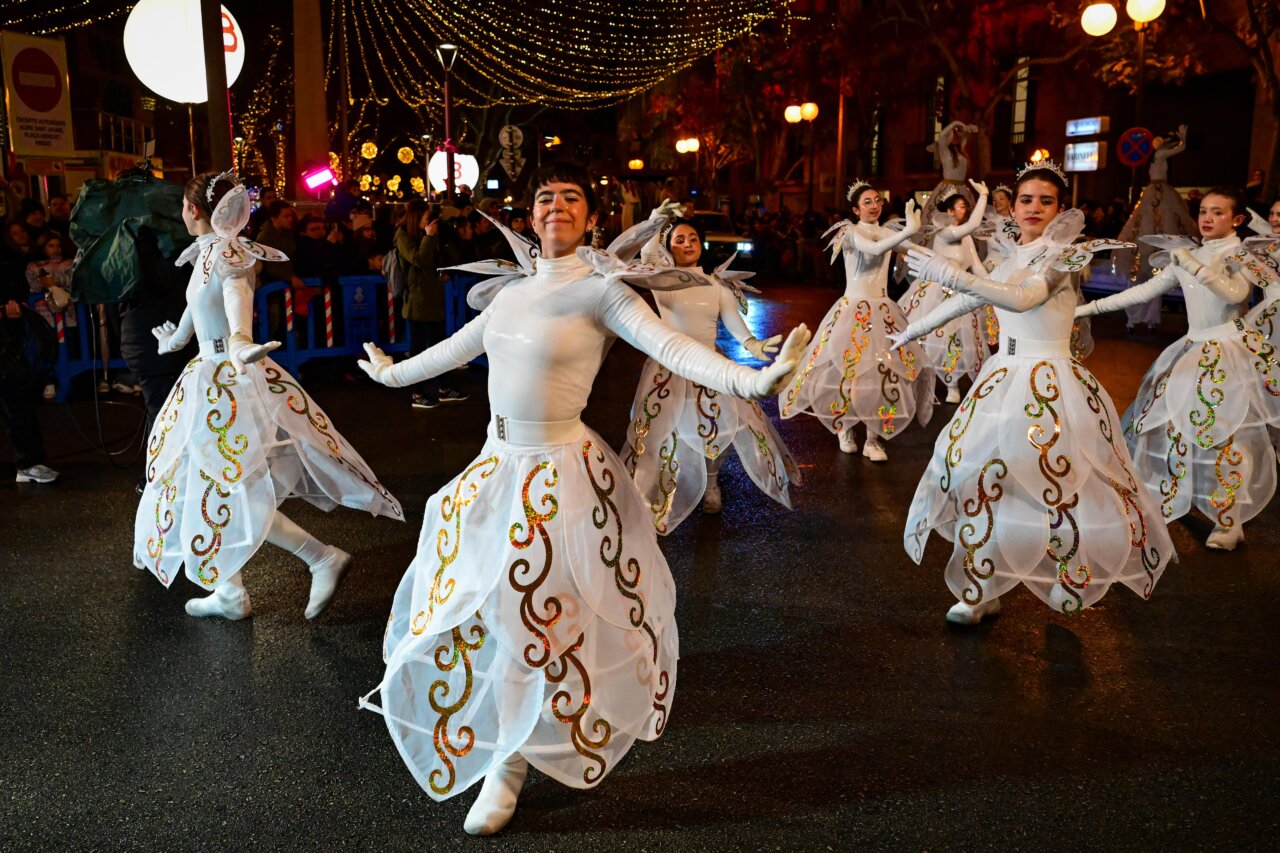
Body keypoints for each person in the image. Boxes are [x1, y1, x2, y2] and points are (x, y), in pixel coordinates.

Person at [356, 162, 810, 836]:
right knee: (491, 610)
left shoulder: (603, 293)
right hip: (495, 466)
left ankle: (511, 762)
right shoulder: (510, 295)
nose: (557, 207)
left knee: (536, 611)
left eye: (572, 197)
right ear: (529, 214)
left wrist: (750, 379)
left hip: (560, 472)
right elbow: (454, 350)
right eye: (546, 198)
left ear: (591, 216)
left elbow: (675, 347)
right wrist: (395, 374)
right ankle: (510, 752)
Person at [892, 160, 1174, 624]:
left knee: (1055, 484)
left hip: (1051, 381)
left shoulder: (1064, 256)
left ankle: (1063, 575)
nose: (1034, 208)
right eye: (1026, 199)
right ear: (1014, 205)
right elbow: (973, 298)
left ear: (1061, 209)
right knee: (979, 474)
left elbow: (1022, 298)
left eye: (1046, 200)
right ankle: (981, 588)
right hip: (1003, 377)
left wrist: (950, 273)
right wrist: (910, 330)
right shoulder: (1008, 258)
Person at [133, 170, 403, 620]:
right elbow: (196, 312)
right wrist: (174, 340)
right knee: (198, 484)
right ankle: (229, 588)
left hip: (225, 380)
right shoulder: (206, 255)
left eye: (183, 204)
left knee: (231, 486)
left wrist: (239, 342)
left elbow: (237, 301)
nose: (181, 211)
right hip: (208, 373)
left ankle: (319, 558)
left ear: (193, 209)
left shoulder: (228, 256)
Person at [1077, 187, 1279, 551]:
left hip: (1230, 351)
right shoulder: (1189, 255)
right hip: (1191, 348)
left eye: (1218, 213)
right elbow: (1143, 291)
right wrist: (1085, 310)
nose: (1207, 218)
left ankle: (1229, 520)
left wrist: (1193, 263)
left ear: (1237, 220)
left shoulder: (1243, 255)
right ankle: (1171, 496)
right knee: (1173, 428)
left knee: (1230, 436)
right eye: (1204, 211)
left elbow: (1234, 294)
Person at [622, 207, 798, 530]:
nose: (687, 244)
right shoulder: (661, 279)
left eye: (692, 239)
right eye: (679, 240)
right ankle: (653, 491)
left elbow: (732, 319)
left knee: (713, 426)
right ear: (669, 246)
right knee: (660, 429)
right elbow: (646, 253)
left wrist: (751, 343)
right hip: (669, 367)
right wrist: (653, 222)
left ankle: (711, 484)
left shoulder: (716, 284)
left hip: (709, 366)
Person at [779, 181, 934, 461]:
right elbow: (872, 250)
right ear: (855, 208)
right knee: (849, 371)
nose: (874, 206)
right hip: (853, 310)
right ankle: (846, 429)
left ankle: (873, 440)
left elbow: (917, 251)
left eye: (877, 200)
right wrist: (907, 232)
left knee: (882, 373)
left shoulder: (888, 232)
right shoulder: (849, 232)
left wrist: (952, 267)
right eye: (867, 202)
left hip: (884, 310)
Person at [901, 181, 993, 404]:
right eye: (962, 206)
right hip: (937, 292)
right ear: (950, 211)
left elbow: (976, 266)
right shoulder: (944, 233)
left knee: (958, 339)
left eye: (965, 206)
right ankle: (927, 383)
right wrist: (983, 196)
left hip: (960, 290)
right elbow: (971, 225)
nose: (965, 209)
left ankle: (952, 384)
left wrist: (992, 287)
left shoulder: (967, 238)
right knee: (933, 337)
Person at [1116, 124, 1197, 330]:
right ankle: (1139, 319)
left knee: (1151, 279)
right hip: (1157, 193)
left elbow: (1176, 150)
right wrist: (1183, 141)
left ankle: (1144, 319)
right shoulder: (1159, 155)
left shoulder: (1158, 156)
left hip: (1158, 192)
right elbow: (1178, 149)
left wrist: (1182, 140)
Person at [395, 200, 468, 408]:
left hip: (434, 299)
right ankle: (416, 393)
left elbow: (436, 260)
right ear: (416, 218)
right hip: (417, 302)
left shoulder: (428, 234)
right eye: (426, 217)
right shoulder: (403, 235)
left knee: (439, 346)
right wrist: (429, 237)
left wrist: (442, 270)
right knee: (418, 349)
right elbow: (419, 260)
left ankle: (443, 388)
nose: (430, 221)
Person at [0, 237, 57, 483]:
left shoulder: (5, 247)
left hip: (8, 331)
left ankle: (29, 462)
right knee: (13, 399)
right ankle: (28, 462)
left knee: (15, 398)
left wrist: (15, 306)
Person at [24, 231, 75, 399]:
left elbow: (71, 280)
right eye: (51, 245)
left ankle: (68, 380)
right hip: (43, 315)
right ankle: (48, 380)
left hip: (65, 314)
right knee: (45, 348)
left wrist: (55, 281)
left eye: (58, 245)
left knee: (67, 348)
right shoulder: (33, 267)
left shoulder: (68, 264)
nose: (55, 249)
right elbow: (34, 285)